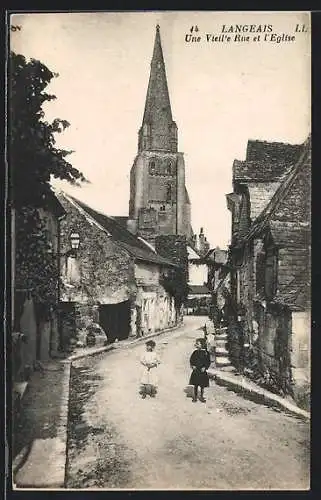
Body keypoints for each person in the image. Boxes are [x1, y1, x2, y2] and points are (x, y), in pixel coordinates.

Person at [189, 338, 211, 403]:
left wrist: (205, 367)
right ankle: (195, 397)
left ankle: (201, 396)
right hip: (196, 371)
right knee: (195, 385)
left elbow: (208, 362)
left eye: (198, 344)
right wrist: (192, 365)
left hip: (202, 371)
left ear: (202, 345)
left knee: (202, 385)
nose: (196, 345)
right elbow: (191, 360)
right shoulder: (195, 352)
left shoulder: (206, 353)